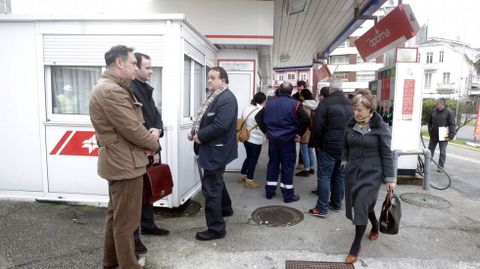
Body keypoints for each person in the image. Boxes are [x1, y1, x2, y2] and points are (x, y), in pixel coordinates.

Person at [89, 45, 160, 269]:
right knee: (126, 223)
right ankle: (129, 265)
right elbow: (132, 128)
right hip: (124, 164)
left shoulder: (112, 87)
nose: (135, 67)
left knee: (116, 217)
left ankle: (110, 262)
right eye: (132, 63)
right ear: (119, 63)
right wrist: (154, 145)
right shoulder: (111, 90)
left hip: (120, 161)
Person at [341, 89, 396, 263]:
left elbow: (387, 154)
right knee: (362, 205)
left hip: (372, 173)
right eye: (354, 109)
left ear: (370, 110)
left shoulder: (381, 127)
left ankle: (356, 246)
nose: (355, 113)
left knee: (361, 204)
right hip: (353, 172)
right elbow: (345, 146)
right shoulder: (350, 124)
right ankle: (375, 225)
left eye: (359, 110)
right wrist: (344, 161)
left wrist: (390, 178)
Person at [187, 66, 237, 241]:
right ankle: (226, 209)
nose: (209, 81)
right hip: (215, 149)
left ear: (222, 80)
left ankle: (216, 229)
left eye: (213, 78)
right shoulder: (216, 97)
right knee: (216, 182)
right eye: (208, 78)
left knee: (211, 189)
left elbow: (220, 125)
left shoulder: (227, 99)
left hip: (216, 150)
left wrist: (199, 136)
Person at [130, 52, 169, 255]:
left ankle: (148, 225)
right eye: (147, 67)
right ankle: (134, 238)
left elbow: (155, 115)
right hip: (137, 152)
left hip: (149, 147)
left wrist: (158, 129)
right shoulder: (128, 89)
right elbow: (134, 126)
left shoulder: (145, 89)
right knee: (135, 197)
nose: (151, 71)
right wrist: (152, 146)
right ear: (135, 68)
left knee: (148, 191)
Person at [255, 82, 309, 203]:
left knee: (273, 164)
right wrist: (299, 134)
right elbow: (306, 119)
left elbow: (258, 117)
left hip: (273, 141)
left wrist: (266, 132)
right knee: (287, 166)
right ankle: (288, 196)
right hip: (288, 141)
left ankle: (269, 192)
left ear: (279, 91)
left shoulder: (269, 103)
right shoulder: (295, 104)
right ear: (291, 92)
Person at [308, 79, 353, 218]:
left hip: (328, 147)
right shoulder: (351, 104)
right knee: (340, 176)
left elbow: (318, 126)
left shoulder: (325, 103)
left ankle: (321, 208)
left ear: (331, 89)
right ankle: (337, 204)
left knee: (324, 176)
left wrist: (314, 143)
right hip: (345, 147)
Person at [239, 92, 267, 189]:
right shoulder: (261, 110)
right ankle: (249, 181)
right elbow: (263, 124)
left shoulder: (247, 108)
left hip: (246, 137)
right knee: (253, 160)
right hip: (256, 139)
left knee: (249, 157)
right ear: (263, 101)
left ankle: (242, 176)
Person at [428, 98, 456, 172]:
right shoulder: (433, 111)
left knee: (442, 151)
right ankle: (427, 164)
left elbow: (452, 124)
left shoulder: (449, 112)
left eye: (437, 103)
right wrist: (430, 130)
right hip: (434, 133)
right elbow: (429, 122)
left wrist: (451, 135)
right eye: (436, 103)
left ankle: (440, 166)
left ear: (442, 104)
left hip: (444, 133)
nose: (436, 104)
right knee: (429, 151)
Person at [295, 89, 318, 177]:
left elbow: (303, 119)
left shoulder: (304, 105)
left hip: (306, 130)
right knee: (310, 150)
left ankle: (306, 169)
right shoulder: (315, 104)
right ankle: (311, 168)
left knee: (304, 149)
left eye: (301, 95)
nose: (300, 97)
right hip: (313, 130)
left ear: (303, 96)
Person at [292, 80, 307, 171]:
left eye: (301, 89)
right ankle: (292, 161)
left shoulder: (308, 96)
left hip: (304, 124)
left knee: (303, 145)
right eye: (298, 89)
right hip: (294, 123)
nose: (300, 91)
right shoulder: (294, 97)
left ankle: (301, 163)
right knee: (292, 144)